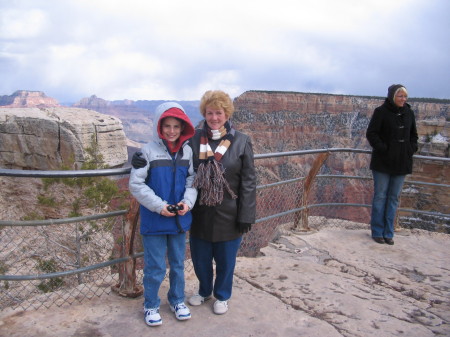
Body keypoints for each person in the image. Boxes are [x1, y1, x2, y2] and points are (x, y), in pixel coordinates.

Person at [187, 90, 256, 315]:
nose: (214, 117)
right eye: (210, 113)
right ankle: (205, 290)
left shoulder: (242, 141)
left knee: (226, 261)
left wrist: (246, 214)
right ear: (204, 114)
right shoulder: (194, 140)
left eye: (219, 113)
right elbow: (176, 161)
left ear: (227, 114)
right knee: (200, 259)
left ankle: (222, 295)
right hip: (200, 212)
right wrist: (143, 159)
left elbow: (248, 182)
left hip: (229, 212)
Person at [129, 102, 197, 326]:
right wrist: (160, 206)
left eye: (176, 126)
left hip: (179, 218)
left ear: (183, 127)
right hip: (155, 219)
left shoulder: (187, 151)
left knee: (178, 263)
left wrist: (187, 203)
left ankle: (177, 300)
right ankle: (150, 305)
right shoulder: (147, 151)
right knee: (155, 266)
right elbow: (136, 185)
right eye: (167, 125)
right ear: (159, 126)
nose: (171, 131)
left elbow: (192, 180)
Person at [366, 84, 418, 245]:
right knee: (381, 196)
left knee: (394, 198)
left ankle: (389, 233)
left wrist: (410, 149)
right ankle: (377, 231)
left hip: (402, 162)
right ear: (392, 97)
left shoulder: (409, 113)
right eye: (400, 96)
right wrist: (384, 149)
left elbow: (413, 136)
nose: (403, 99)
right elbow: (371, 133)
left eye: (405, 96)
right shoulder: (381, 112)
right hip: (383, 162)